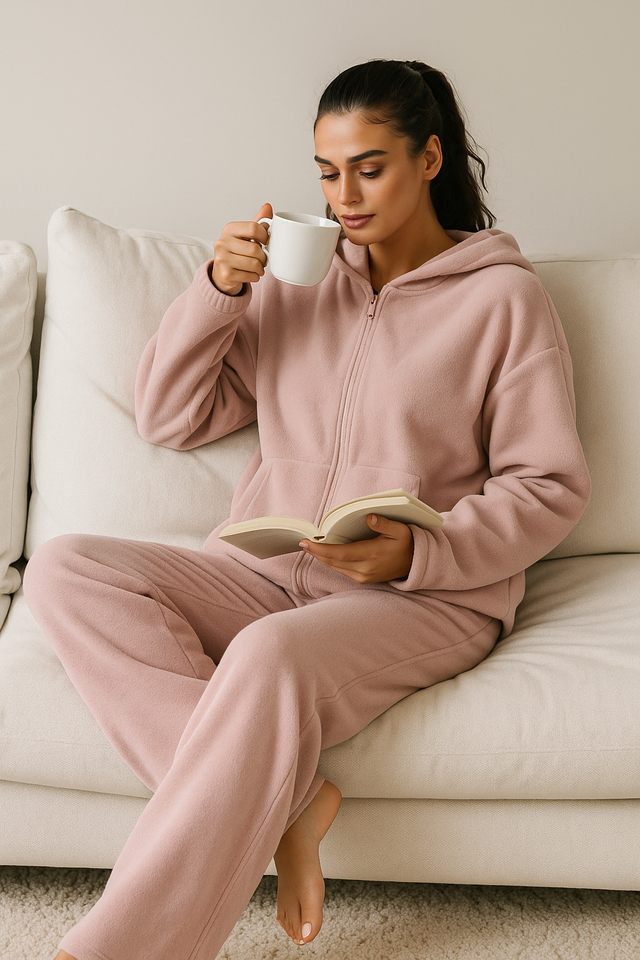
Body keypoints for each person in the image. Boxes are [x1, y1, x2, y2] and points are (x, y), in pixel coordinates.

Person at [23, 59, 590, 960]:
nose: (345, 194)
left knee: (269, 654)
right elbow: (174, 416)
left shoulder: (503, 299)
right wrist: (221, 289)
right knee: (64, 569)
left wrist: (419, 556)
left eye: (370, 166)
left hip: (424, 598)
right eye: (327, 173)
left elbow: (548, 483)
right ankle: (291, 806)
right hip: (264, 572)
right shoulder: (301, 283)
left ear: (430, 157)